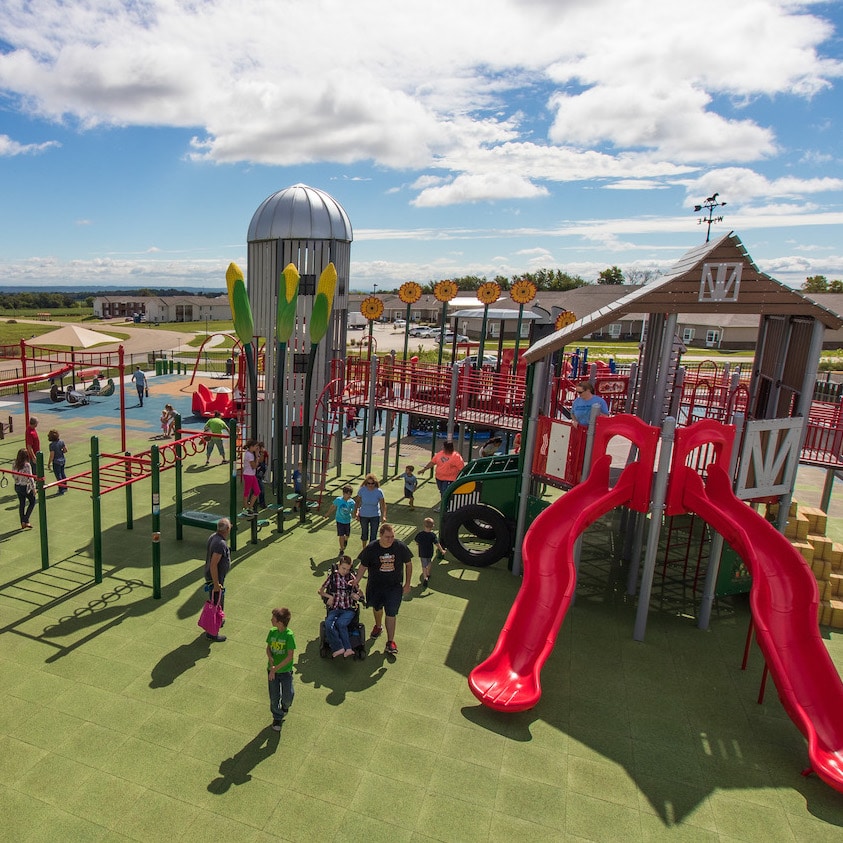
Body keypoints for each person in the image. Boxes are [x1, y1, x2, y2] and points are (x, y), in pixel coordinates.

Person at [354, 523, 412, 655]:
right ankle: (378, 626)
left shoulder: (400, 546)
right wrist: (357, 580)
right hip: (376, 586)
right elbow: (363, 566)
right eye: (387, 537)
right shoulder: (371, 548)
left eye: (392, 536)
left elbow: (408, 564)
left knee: (391, 613)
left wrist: (407, 583)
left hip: (394, 587)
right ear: (380, 535)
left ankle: (390, 642)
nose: (390, 540)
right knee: (377, 608)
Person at [318, 556, 363, 657]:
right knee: (328, 624)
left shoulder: (351, 578)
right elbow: (320, 591)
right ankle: (339, 647)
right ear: (339, 566)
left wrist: (358, 595)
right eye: (343, 568)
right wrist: (329, 597)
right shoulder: (333, 577)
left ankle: (348, 648)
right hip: (335, 608)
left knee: (341, 623)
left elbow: (360, 593)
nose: (345, 571)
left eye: (347, 569)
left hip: (348, 609)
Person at [266, 607, 295, 731]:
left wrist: (275, 668)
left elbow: (290, 656)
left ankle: (285, 707)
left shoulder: (289, 636)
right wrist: (270, 657)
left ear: (280, 622)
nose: (271, 619)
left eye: (273, 618)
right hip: (272, 671)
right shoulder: (272, 632)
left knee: (288, 696)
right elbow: (268, 647)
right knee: (274, 697)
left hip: (285, 672)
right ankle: (277, 718)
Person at [204, 518, 231, 642]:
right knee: (215, 603)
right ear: (227, 529)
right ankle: (212, 632)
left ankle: (217, 621)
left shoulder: (213, 537)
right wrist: (216, 584)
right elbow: (213, 564)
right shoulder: (220, 544)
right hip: (215, 578)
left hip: (215, 577)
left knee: (217, 602)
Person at [355, 473, 386, 550]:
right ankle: (364, 549)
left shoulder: (379, 491)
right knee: (364, 533)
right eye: (368, 483)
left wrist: (384, 515)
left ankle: (371, 550)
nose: (370, 485)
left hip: (375, 515)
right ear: (366, 483)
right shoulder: (362, 490)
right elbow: (357, 502)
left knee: (373, 534)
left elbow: (383, 505)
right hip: (364, 515)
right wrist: (356, 513)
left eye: (372, 483)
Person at [415, 517, 446, 589]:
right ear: (432, 526)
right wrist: (442, 550)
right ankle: (428, 573)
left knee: (423, 565)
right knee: (429, 562)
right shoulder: (432, 535)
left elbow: (416, 541)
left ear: (424, 525)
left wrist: (419, 544)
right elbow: (437, 543)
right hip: (429, 552)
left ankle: (425, 577)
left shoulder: (420, 534)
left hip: (422, 552)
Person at [13, 449, 36, 529]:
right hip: (24, 486)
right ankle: (25, 520)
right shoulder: (27, 465)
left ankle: (23, 521)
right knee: (32, 501)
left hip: (17, 486)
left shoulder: (14, 463)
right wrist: (34, 488)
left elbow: (13, 475)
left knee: (22, 503)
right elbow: (30, 477)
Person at [330, 485, 356, 557]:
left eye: (350, 494)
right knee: (341, 535)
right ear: (344, 493)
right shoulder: (338, 500)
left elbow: (354, 510)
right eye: (348, 494)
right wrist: (327, 513)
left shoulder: (352, 502)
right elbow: (333, 506)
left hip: (347, 521)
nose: (349, 495)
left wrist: (356, 515)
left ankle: (346, 540)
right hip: (339, 520)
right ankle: (341, 549)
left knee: (347, 535)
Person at [46, 429, 68, 494]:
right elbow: (65, 450)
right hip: (62, 460)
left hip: (56, 462)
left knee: (58, 476)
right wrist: (60, 451)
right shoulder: (61, 442)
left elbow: (52, 455)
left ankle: (61, 489)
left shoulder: (52, 445)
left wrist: (49, 463)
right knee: (63, 473)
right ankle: (65, 487)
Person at [241, 439, 259, 516]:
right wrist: (257, 457)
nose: (256, 448)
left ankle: (249, 507)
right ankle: (245, 508)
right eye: (255, 446)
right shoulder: (249, 455)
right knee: (247, 492)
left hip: (252, 475)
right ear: (251, 447)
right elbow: (254, 466)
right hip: (248, 475)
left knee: (257, 491)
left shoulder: (251, 454)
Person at [255, 442, 268, 508]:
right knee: (256, 485)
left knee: (260, 484)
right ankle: (258, 501)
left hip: (261, 468)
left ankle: (261, 502)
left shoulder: (263, 452)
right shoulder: (257, 452)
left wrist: (261, 454)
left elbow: (262, 461)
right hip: (259, 468)